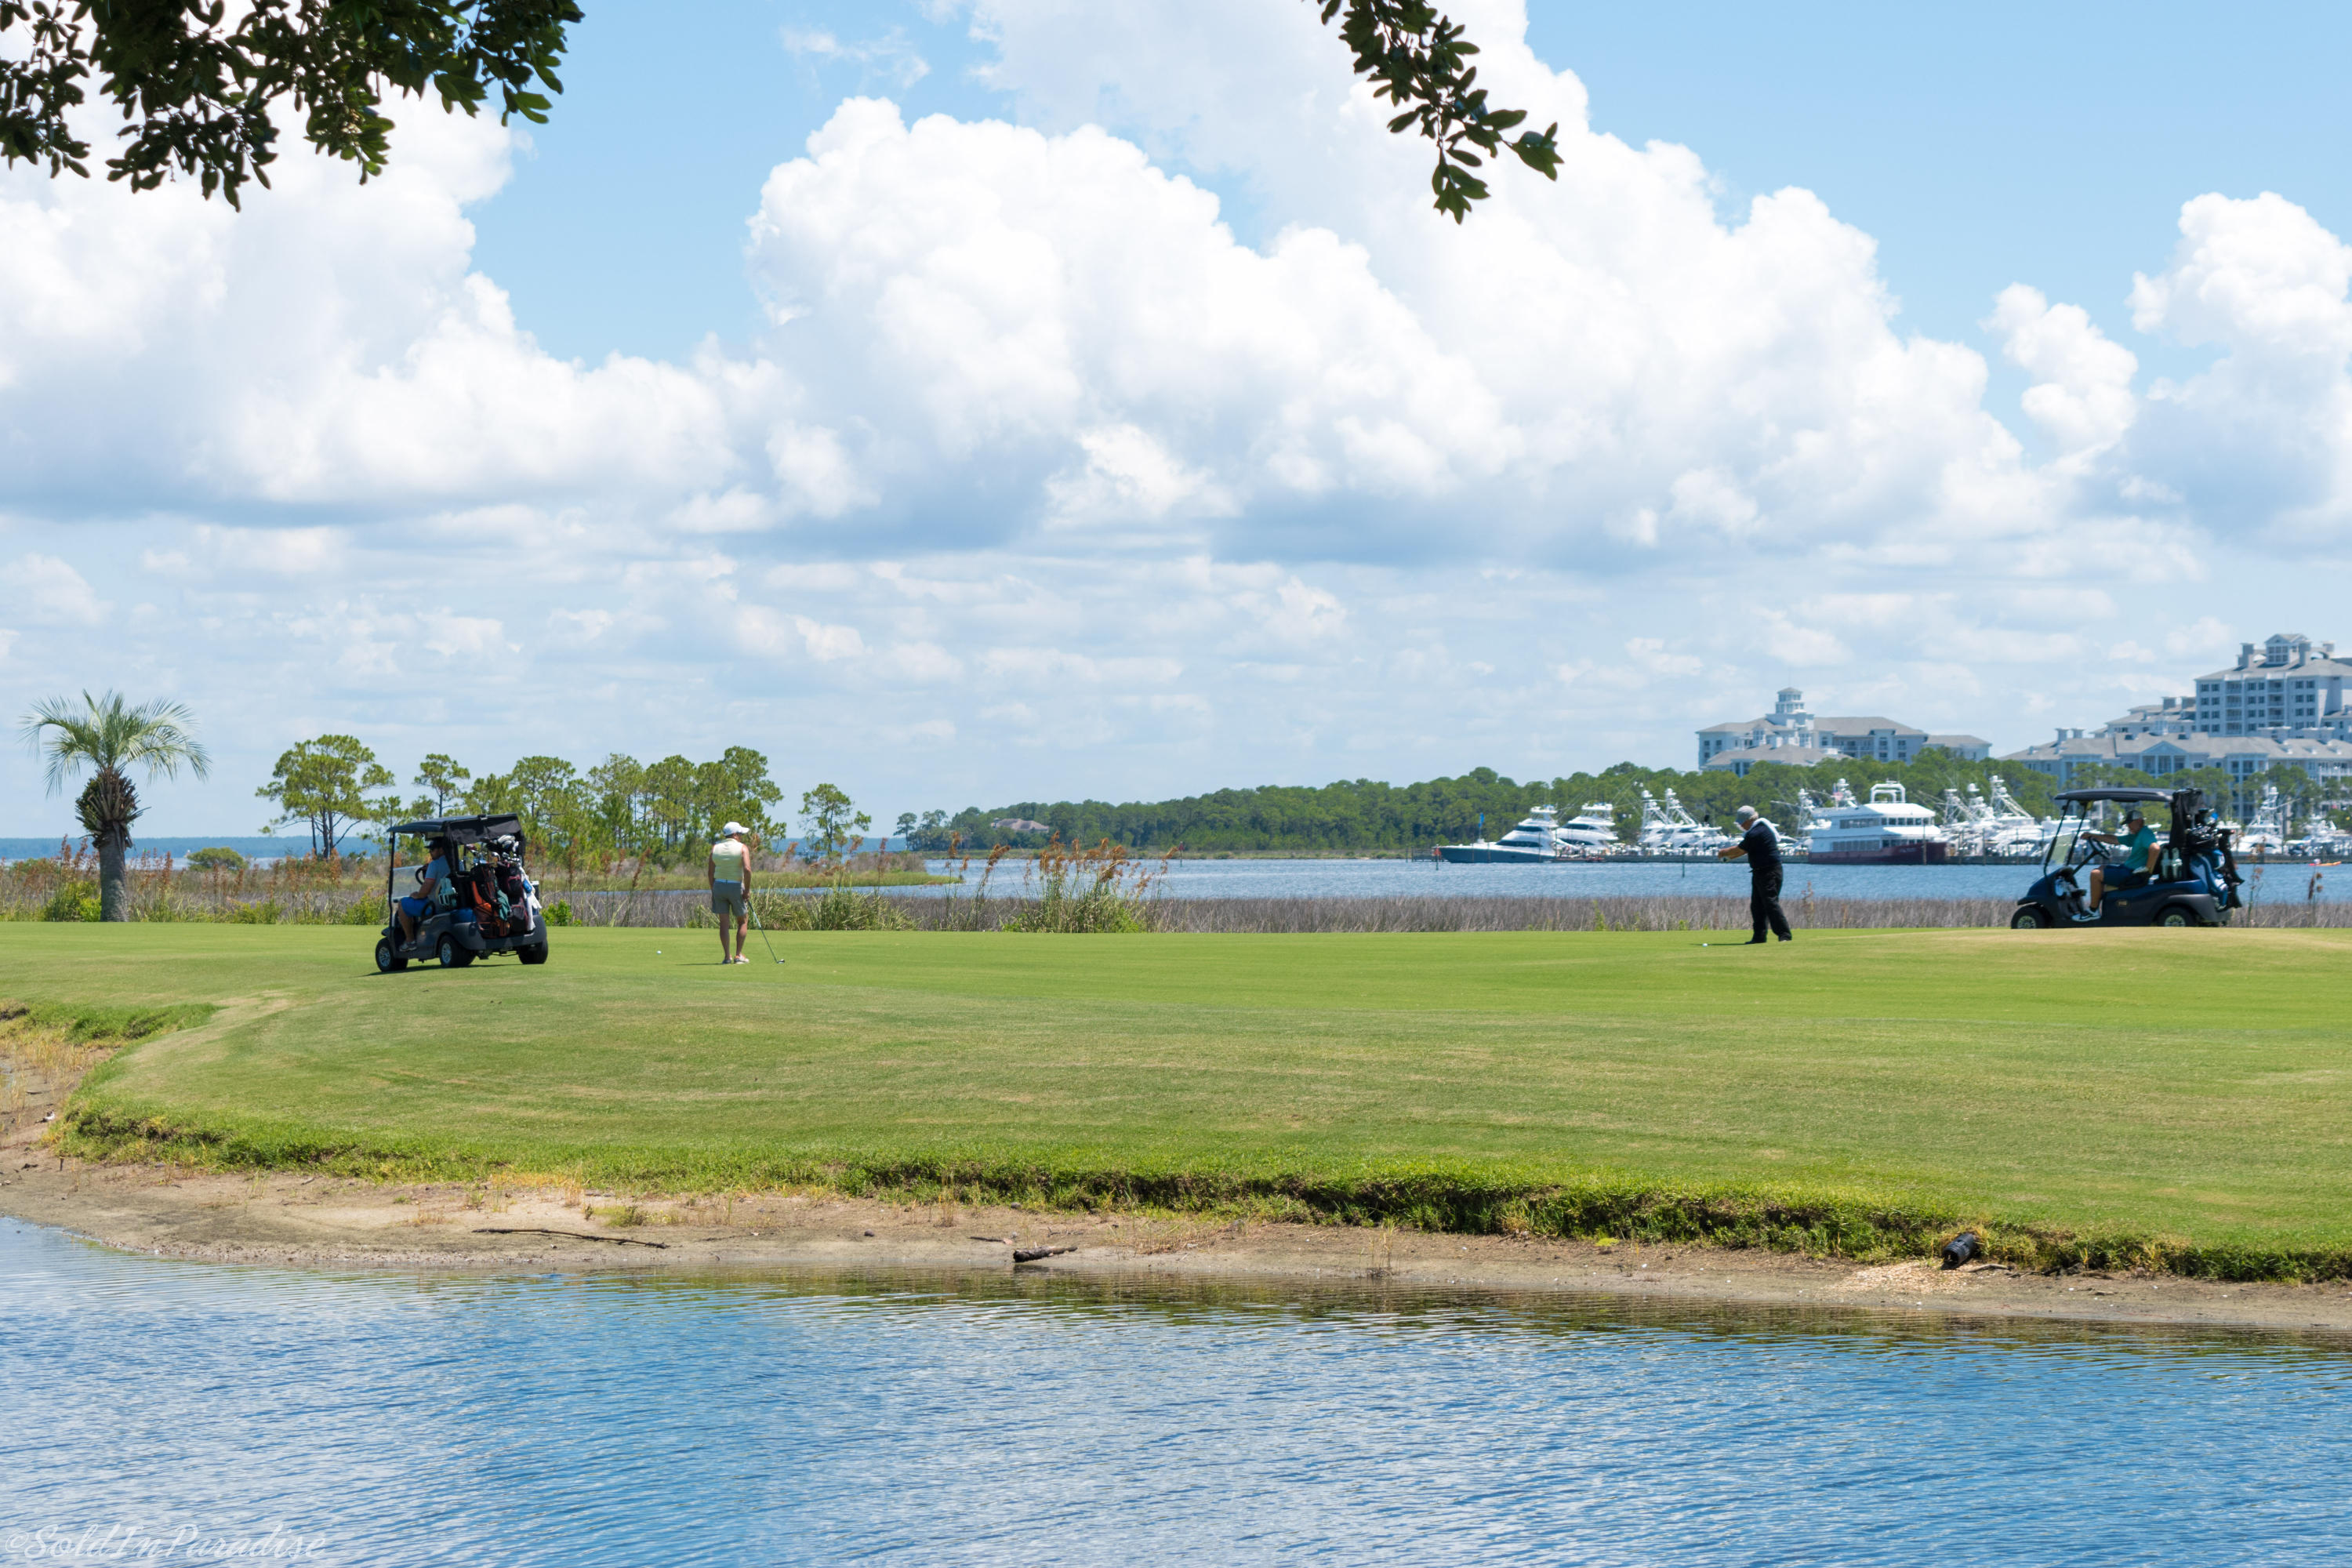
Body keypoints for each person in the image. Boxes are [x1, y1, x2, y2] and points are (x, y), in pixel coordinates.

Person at [1716, 805, 1792, 944]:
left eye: (1741, 822)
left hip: (1769, 872)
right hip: (1761, 871)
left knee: (1770, 903)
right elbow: (1742, 851)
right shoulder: (1759, 829)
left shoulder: (1757, 832)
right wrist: (1727, 857)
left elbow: (1740, 849)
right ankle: (1759, 937)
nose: (1740, 825)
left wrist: (1724, 853)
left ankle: (1784, 935)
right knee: (1757, 906)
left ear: (1749, 820)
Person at [2080, 805, 2161, 917]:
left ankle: (2093, 911)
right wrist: (2093, 836)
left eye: (2130, 823)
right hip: (2127, 870)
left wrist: (2147, 870)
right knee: (2102, 868)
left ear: (2139, 821)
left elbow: (2155, 848)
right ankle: (2102, 906)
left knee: (2095, 874)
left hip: (2132, 875)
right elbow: (2115, 840)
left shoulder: (2145, 834)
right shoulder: (2138, 835)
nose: (2128, 826)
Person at [709, 821, 754, 964]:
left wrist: (713, 889)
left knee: (724, 923)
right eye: (740, 834)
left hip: (719, 886)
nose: (741, 836)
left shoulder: (715, 848)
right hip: (735, 886)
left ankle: (727, 957)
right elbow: (747, 870)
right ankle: (738, 955)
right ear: (734, 835)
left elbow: (710, 873)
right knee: (742, 920)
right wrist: (747, 890)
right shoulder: (742, 848)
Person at [396, 837, 454, 946]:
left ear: (441, 850)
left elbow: (426, 890)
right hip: (451, 904)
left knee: (402, 904)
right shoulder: (457, 863)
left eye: (432, 849)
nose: (430, 852)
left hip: (435, 906)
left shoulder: (434, 864)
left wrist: (417, 895)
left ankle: (410, 941)